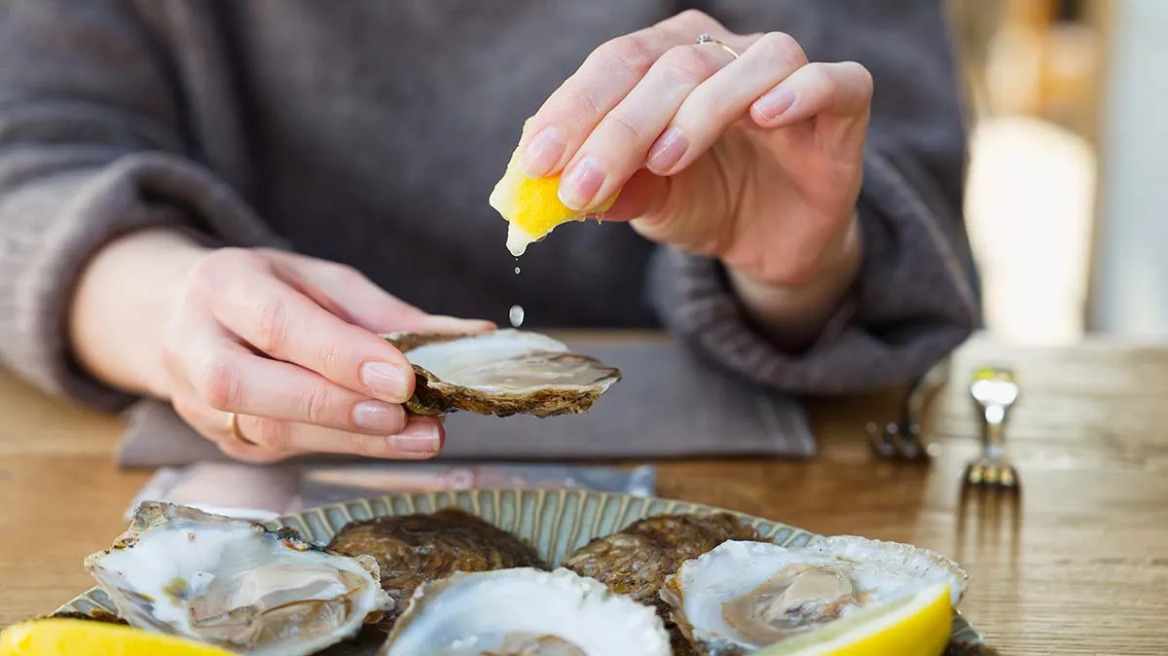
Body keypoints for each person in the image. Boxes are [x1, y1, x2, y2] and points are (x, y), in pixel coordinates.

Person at [0, 1, 978, 463]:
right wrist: (167, 302)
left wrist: (799, 266)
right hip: (231, 491)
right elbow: (27, 155)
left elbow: (900, 173)